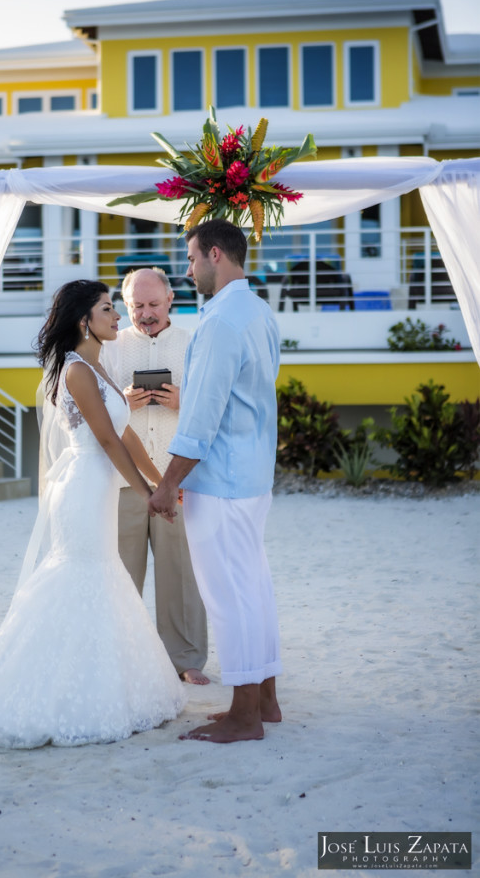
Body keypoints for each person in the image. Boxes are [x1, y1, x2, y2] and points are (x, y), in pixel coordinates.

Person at [0, 280, 186, 748]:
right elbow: (106, 441)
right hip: (84, 490)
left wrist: (161, 482)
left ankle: (101, 685)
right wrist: (149, 494)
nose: (117, 317)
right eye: (108, 309)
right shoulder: (77, 372)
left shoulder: (99, 365)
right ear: (84, 320)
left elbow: (126, 436)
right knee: (81, 578)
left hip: (101, 488)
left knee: (101, 578)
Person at [148, 220, 282, 744]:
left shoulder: (221, 321)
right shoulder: (259, 311)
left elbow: (201, 415)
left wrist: (166, 484)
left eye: (191, 260)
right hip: (251, 476)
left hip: (223, 480)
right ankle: (266, 700)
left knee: (229, 597)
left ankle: (245, 715)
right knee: (254, 588)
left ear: (216, 255)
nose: (188, 270)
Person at [101, 268, 208, 685]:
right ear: (126, 306)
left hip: (176, 478)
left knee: (181, 572)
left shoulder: (193, 343)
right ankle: (121, 656)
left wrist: (184, 402)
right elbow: (94, 412)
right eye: (136, 306)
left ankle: (186, 660)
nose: (145, 314)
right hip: (124, 480)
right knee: (120, 574)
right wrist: (122, 402)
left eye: (152, 305)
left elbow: (213, 404)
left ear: (170, 302)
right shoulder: (110, 348)